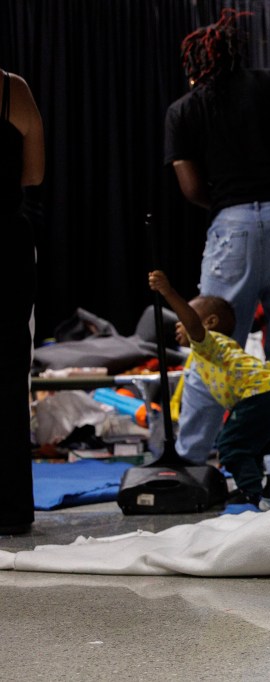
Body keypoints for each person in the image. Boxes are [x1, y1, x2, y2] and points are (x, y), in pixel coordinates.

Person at [164, 9, 270, 504]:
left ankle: (191, 465)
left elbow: (193, 188)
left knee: (208, 345)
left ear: (197, 63)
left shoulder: (185, 108)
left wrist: (232, 208)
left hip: (232, 227)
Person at [148, 271, 270, 508]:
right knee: (249, 449)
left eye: (183, 317)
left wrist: (168, 292)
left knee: (230, 446)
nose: (178, 323)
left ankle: (255, 495)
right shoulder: (221, 347)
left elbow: (193, 323)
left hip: (259, 394)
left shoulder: (208, 343)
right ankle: (255, 487)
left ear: (211, 322)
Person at [0, 69, 44, 535]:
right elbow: (33, 173)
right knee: (9, 374)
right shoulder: (12, 88)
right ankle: (9, 509)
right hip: (5, 243)